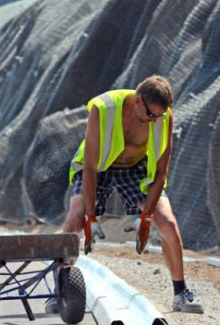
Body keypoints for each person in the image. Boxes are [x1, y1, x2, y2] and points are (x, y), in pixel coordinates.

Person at [58, 75, 203, 314]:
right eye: (150, 115)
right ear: (137, 101)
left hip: (135, 169)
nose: (154, 121)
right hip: (100, 167)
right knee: (75, 219)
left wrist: (146, 218)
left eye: (159, 116)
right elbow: (91, 167)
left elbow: (161, 172)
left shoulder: (162, 117)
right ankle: (60, 289)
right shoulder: (103, 109)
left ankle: (181, 293)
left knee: (168, 223)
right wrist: (91, 217)